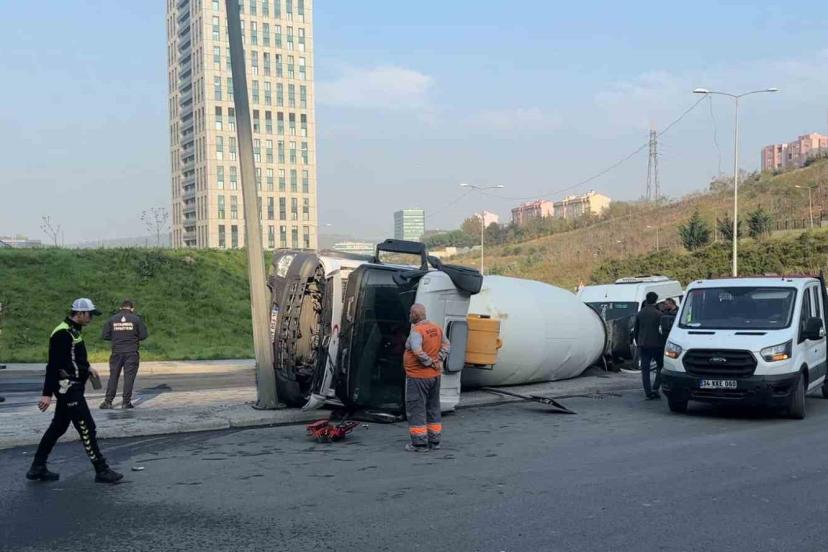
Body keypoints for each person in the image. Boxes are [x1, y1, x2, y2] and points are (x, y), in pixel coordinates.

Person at [26, 298, 123, 484]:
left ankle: (37, 467)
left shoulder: (73, 331)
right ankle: (101, 470)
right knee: (87, 427)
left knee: (58, 427)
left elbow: (73, 358)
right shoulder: (62, 333)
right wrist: (47, 394)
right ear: (79, 313)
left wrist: (87, 367)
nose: (91, 318)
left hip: (71, 386)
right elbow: (53, 365)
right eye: (89, 315)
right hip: (68, 388)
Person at [403, 304, 449, 452]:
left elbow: (417, 350)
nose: (409, 315)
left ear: (415, 315)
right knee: (433, 407)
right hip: (434, 376)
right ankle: (435, 441)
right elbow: (447, 345)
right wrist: (438, 359)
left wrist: (429, 361)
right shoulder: (436, 328)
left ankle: (419, 443)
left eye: (410, 313)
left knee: (417, 408)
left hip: (418, 376)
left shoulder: (417, 331)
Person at [100, 299, 148, 409]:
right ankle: (126, 402)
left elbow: (105, 335)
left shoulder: (112, 319)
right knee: (129, 378)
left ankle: (108, 401)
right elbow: (143, 335)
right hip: (131, 352)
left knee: (113, 376)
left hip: (116, 352)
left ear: (120, 308)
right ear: (132, 309)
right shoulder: (136, 319)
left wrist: (117, 337)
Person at [633, 292, 665, 400]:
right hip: (657, 345)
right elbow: (662, 331)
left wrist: (638, 343)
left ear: (646, 300)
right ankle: (655, 388)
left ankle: (648, 391)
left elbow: (636, 331)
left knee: (645, 369)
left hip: (643, 344)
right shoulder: (659, 314)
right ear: (655, 301)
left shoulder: (640, 313)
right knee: (661, 366)